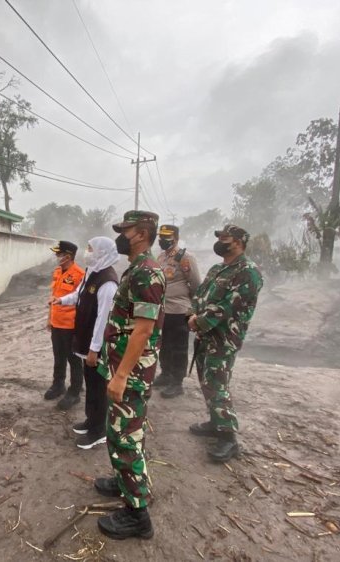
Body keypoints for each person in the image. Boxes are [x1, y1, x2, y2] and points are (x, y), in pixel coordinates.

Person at [93, 210, 165, 541]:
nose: (121, 235)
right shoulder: (136, 269)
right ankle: (125, 481)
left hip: (132, 372)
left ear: (141, 234)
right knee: (122, 431)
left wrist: (121, 375)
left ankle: (137, 514)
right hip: (124, 367)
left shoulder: (148, 274)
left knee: (126, 437)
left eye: (125, 230)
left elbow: (143, 330)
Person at [188, 225, 263, 462]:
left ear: (239, 241)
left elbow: (230, 306)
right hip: (204, 335)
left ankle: (228, 438)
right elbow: (200, 295)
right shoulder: (218, 268)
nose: (220, 241)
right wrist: (194, 315)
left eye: (225, 238)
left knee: (218, 384)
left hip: (223, 339)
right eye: (219, 237)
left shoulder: (248, 271)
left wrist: (199, 320)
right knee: (207, 381)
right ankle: (215, 422)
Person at [52, 237, 119, 449]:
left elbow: (103, 319)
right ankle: (91, 421)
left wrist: (94, 349)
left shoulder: (108, 281)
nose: (87, 252)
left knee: (98, 387)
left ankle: (99, 431)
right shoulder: (92, 272)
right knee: (91, 385)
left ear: (101, 251)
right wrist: (62, 300)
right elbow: (78, 295)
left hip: (95, 345)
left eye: (90, 249)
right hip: (86, 339)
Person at [153, 224, 201, 398]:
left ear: (176, 238)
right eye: (161, 237)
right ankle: (166, 374)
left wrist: (194, 309)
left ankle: (177, 382)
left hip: (180, 310)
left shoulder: (185, 257)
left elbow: (195, 284)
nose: (163, 240)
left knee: (178, 347)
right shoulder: (160, 257)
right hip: (164, 309)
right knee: (164, 344)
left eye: (167, 237)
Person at [45, 241, 85, 410]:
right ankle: (58, 384)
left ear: (68, 256)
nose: (57, 256)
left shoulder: (80, 274)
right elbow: (53, 297)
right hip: (56, 323)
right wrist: (49, 319)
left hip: (71, 325)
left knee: (73, 359)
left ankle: (74, 392)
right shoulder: (57, 272)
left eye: (59, 254)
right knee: (58, 356)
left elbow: (81, 302)